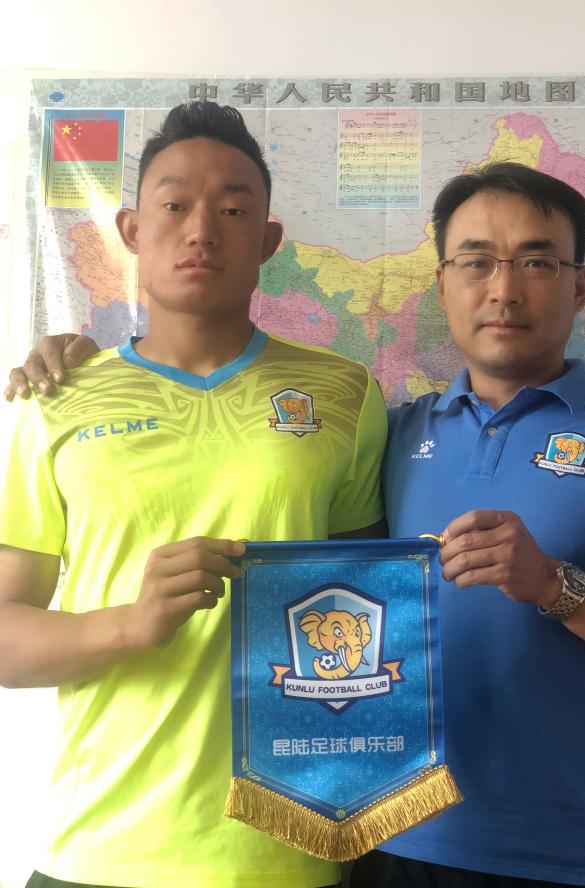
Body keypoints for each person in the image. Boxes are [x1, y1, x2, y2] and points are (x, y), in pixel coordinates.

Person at [7, 165, 585, 887]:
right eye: (476, 262)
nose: (504, 289)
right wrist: (80, 360)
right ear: (442, 285)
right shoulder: (389, 432)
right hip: (385, 845)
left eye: (537, 262)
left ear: (579, 286)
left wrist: (555, 586)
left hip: (573, 858)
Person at [0, 102, 386, 888]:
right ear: (132, 230)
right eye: (174, 205)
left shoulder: (346, 392)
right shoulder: (56, 398)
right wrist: (130, 624)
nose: (202, 229)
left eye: (234, 210)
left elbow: (372, 607)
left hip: (289, 852)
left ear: (269, 240)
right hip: (100, 848)